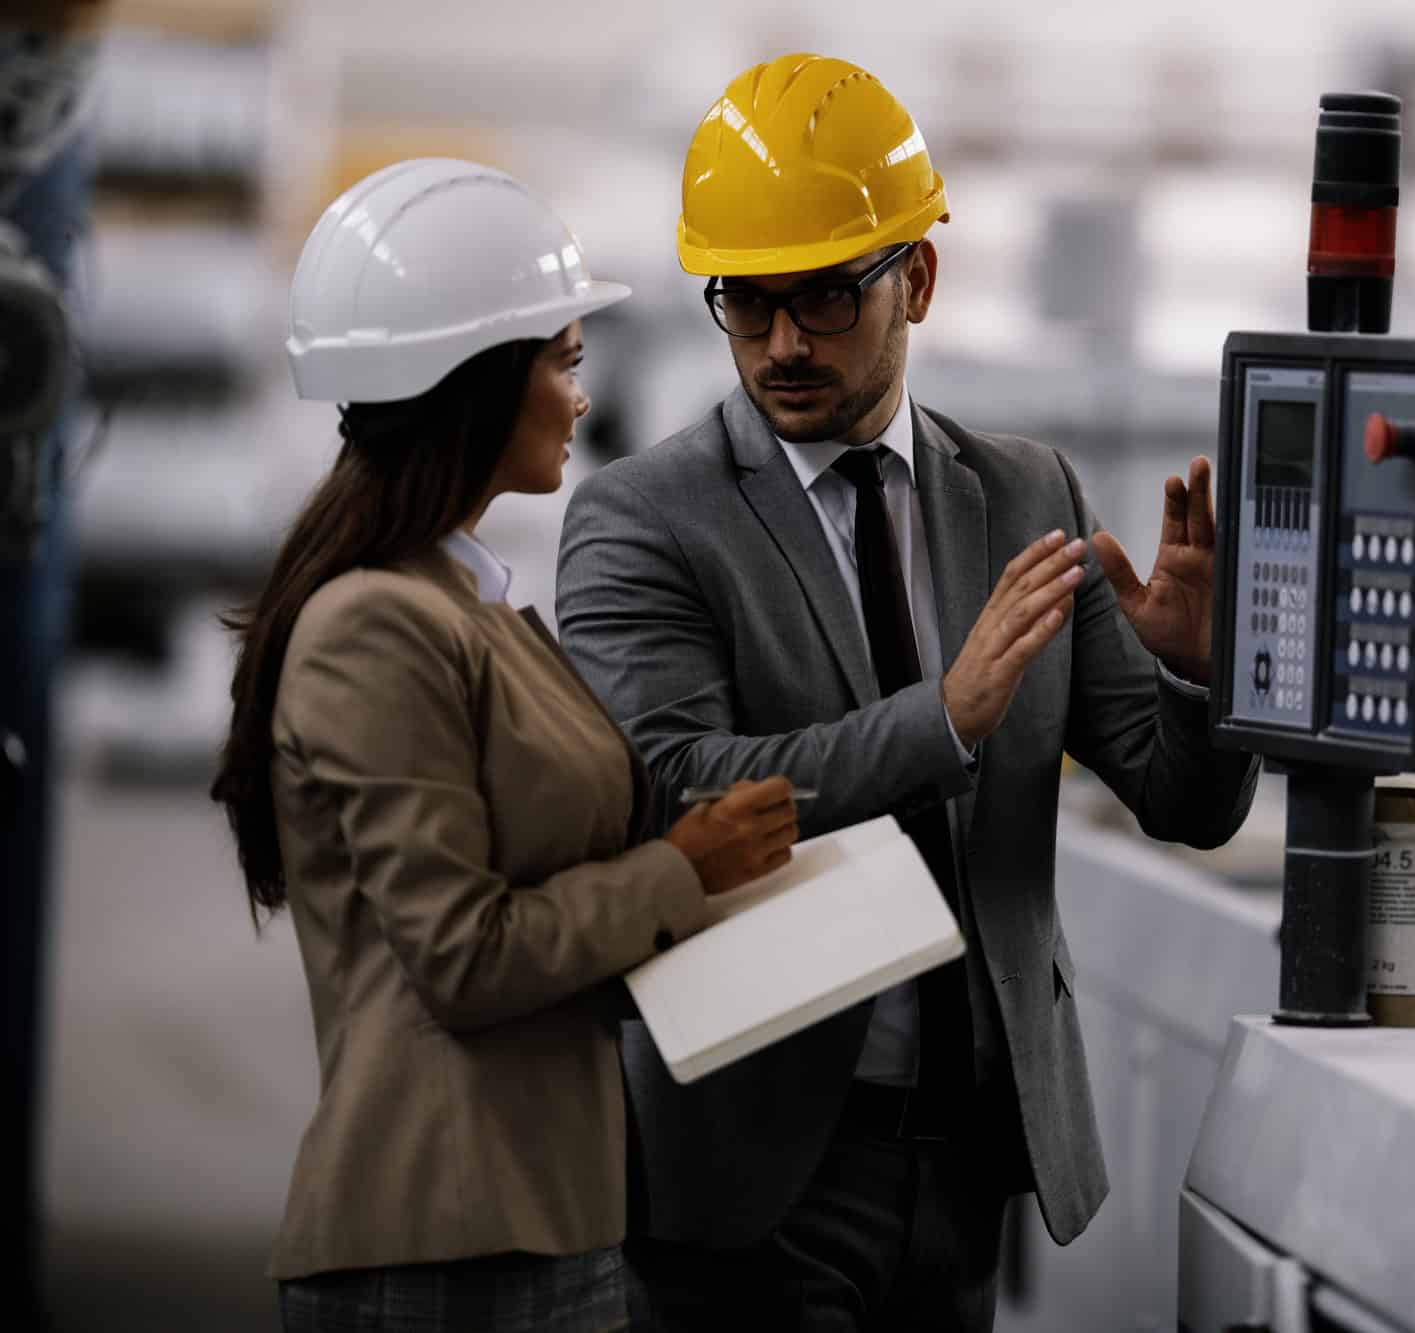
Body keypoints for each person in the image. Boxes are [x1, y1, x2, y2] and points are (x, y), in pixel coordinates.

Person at [556, 54, 1261, 1331]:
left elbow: (1180, 801)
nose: (779, 345)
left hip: (969, 1155)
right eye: (745, 304)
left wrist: (1198, 674)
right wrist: (944, 720)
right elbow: (676, 789)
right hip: (759, 1159)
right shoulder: (643, 521)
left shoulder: (1024, 496)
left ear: (915, 279)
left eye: (823, 298)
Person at [210, 158, 798, 1332]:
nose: (584, 398)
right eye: (565, 362)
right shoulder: (371, 627)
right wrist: (682, 868)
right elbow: (464, 956)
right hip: (444, 1237)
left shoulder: (468, 605)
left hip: (544, 1216)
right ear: (474, 384)